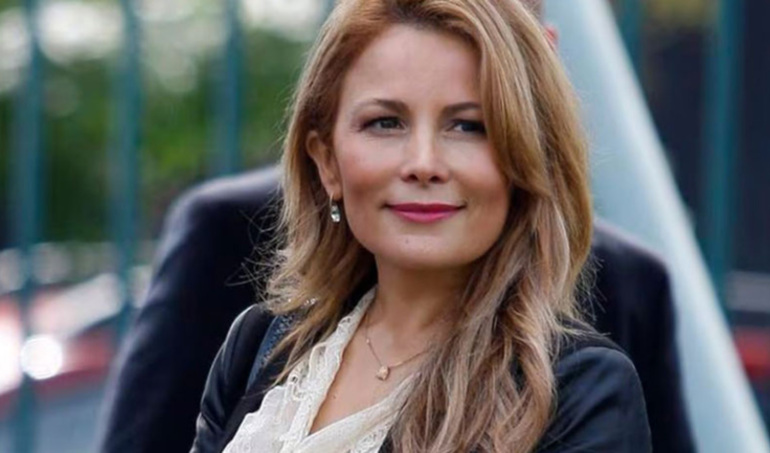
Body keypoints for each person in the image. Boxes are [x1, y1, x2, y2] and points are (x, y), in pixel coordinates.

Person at [95, 1, 694, 453]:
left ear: (524, 158)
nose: (423, 163)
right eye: (385, 123)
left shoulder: (581, 390)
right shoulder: (259, 344)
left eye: (469, 126)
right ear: (327, 162)